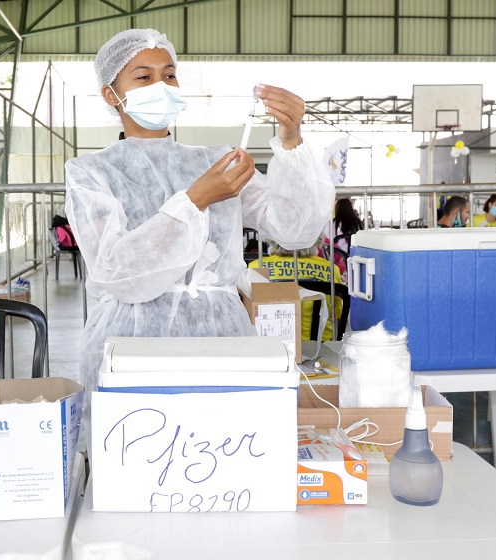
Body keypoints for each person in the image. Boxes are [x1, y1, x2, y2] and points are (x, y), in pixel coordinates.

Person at [64, 29, 334, 451]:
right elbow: (117, 270)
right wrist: (197, 200)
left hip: (222, 338)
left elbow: (294, 226)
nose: (161, 86)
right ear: (110, 94)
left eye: (169, 76)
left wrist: (291, 140)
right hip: (131, 345)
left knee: (225, 458)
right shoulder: (90, 173)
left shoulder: (215, 162)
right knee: (137, 460)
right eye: (143, 77)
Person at [248, 240, 343, 341]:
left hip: (272, 345)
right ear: (316, 239)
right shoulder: (331, 269)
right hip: (320, 346)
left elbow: (248, 312)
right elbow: (336, 313)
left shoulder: (257, 266)